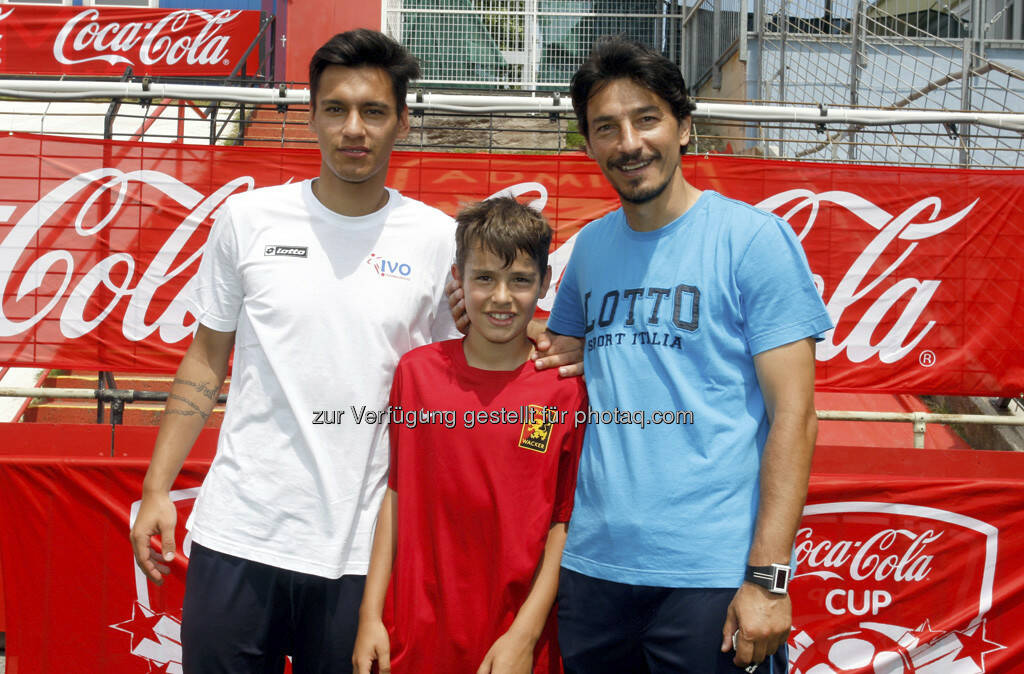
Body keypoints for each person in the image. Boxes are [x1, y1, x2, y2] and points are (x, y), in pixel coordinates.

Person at [129, 29, 463, 674]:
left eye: (374, 111)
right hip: (239, 533)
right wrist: (156, 487)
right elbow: (206, 358)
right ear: (310, 116)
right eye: (335, 109)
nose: (353, 128)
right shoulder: (249, 220)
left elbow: (463, 377)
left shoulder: (438, 240)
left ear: (403, 122)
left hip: (362, 552)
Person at [544, 37, 834, 673]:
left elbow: (796, 417)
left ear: (683, 126)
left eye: (646, 118)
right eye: (606, 127)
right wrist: (478, 310)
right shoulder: (590, 249)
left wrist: (769, 579)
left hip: (714, 578)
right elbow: (553, 362)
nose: (629, 143)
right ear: (588, 143)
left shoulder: (753, 239)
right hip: (594, 572)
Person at [353, 197, 588, 674]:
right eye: (485, 278)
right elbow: (396, 496)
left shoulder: (563, 390)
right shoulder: (417, 374)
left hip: (515, 645)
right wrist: (369, 615)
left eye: (520, 280)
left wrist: (525, 634)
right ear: (458, 280)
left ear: (544, 283)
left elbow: (563, 524)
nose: (502, 297)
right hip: (414, 637)